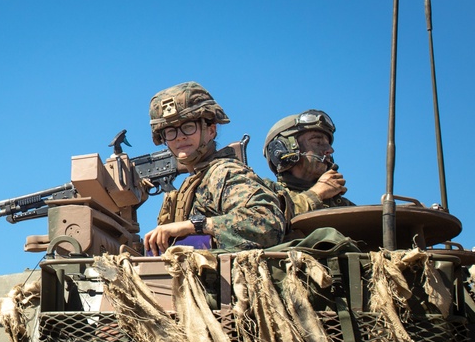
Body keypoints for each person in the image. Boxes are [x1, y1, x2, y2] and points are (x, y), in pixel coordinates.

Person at [142, 82, 286, 255]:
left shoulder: (223, 172)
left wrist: (195, 225)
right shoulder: (196, 181)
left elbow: (268, 222)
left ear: (211, 131)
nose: (179, 137)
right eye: (170, 131)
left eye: (188, 127)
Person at [262, 109, 353, 217]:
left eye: (328, 144)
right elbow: (265, 220)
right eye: (317, 142)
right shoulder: (264, 191)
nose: (330, 150)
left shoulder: (344, 205)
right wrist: (316, 194)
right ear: (283, 148)